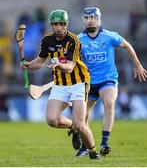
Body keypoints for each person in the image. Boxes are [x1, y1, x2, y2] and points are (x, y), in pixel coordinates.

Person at [21, 9, 100, 159]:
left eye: (61, 24)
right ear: (51, 25)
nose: (58, 27)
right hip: (59, 84)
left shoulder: (73, 40)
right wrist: (28, 64)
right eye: (55, 24)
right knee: (52, 120)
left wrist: (58, 65)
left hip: (79, 82)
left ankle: (93, 151)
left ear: (66, 24)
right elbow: (39, 62)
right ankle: (72, 129)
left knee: (81, 124)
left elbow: (70, 68)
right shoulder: (47, 40)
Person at [76, 7, 147, 157]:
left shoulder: (109, 36)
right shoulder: (78, 40)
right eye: (87, 17)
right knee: (83, 117)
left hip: (107, 79)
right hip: (88, 83)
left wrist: (137, 65)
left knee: (109, 103)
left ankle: (104, 143)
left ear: (99, 19)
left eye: (93, 17)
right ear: (84, 20)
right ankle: (85, 146)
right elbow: (71, 60)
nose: (90, 20)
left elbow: (127, 46)